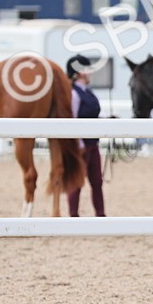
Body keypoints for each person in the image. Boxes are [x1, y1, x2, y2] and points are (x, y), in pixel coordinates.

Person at [66, 55, 105, 217]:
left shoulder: (88, 92)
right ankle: (73, 216)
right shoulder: (74, 94)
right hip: (80, 146)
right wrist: (79, 144)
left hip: (92, 144)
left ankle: (101, 215)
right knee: (76, 183)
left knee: (97, 182)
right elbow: (72, 119)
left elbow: (91, 118)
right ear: (80, 72)